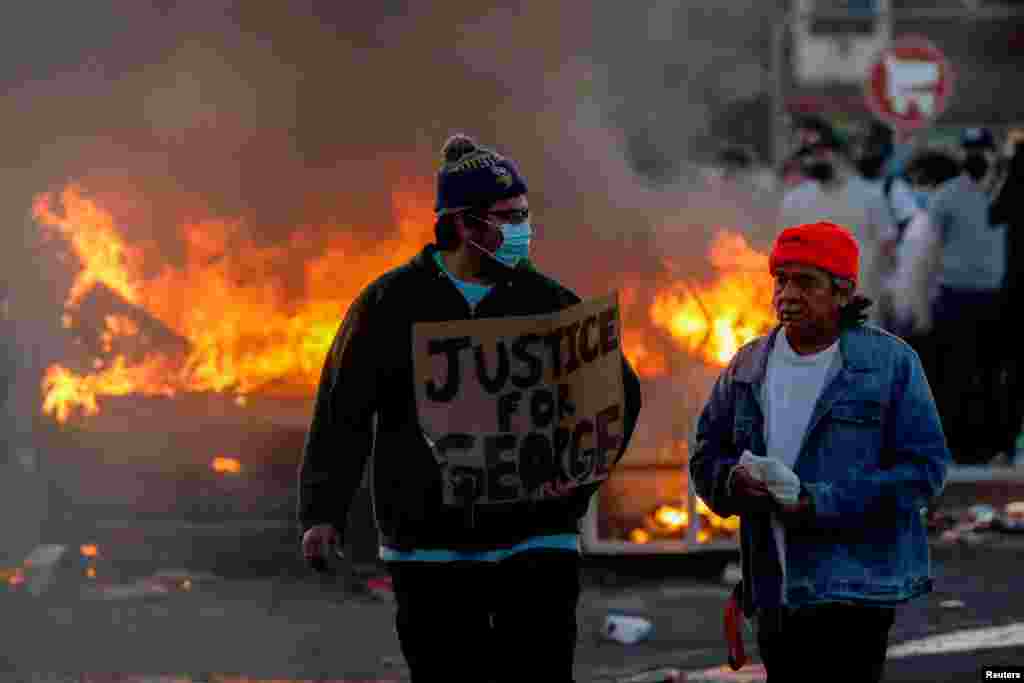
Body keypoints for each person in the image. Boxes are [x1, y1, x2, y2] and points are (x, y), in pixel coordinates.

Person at [298, 133, 643, 682]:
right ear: (462, 222)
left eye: (526, 214)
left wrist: (577, 482)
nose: (523, 228)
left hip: (535, 541)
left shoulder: (549, 303)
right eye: (508, 216)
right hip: (429, 549)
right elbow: (343, 410)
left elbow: (617, 394)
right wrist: (322, 512)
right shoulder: (390, 304)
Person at [690, 220, 950, 683]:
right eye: (781, 280)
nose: (787, 294)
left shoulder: (890, 364)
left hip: (857, 590)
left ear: (844, 292)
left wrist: (821, 501)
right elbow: (706, 454)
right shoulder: (747, 366)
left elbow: (923, 472)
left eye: (806, 282)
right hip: (774, 590)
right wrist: (733, 481)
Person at [926, 126, 1008, 464]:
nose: (975, 157)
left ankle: (992, 447)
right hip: (954, 296)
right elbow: (928, 250)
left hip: (996, 298)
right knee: (954, 375)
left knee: (992, 374)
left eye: (982, 150)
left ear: (994, 153)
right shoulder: (945, 195)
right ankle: (956, 447)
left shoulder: (1007, 192)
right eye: (969, 150)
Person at [779, 119, 898, 326]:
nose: (813, 161)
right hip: (810, 312)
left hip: (862, 308)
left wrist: (888, 292)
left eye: (820, 153)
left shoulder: (870, 196)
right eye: (808, 155)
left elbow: (889, 248)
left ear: (839, 154)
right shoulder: (794, 201)